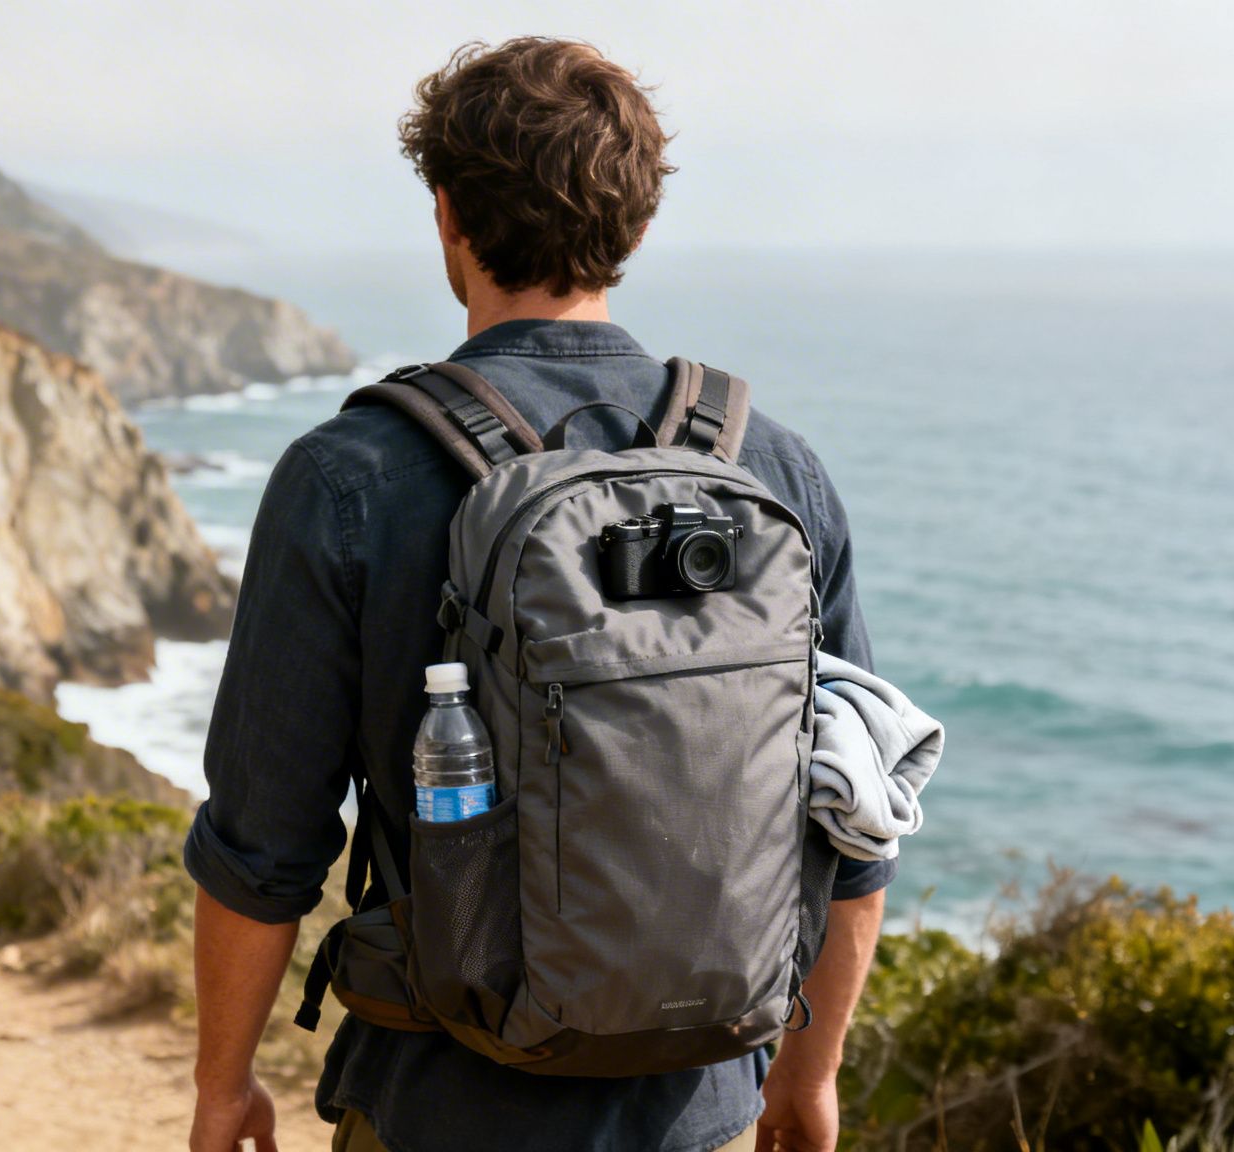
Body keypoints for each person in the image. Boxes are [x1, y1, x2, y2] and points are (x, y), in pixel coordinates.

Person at [186, 37, 890, 1152]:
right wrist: (804, 1082)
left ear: (446, 215)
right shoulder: (773, 472)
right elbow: (852, 818)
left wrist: (220, 1085)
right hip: (695, 1107)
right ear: (639, 226)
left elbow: (261, 838)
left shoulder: (349, 477)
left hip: (434, 1105)